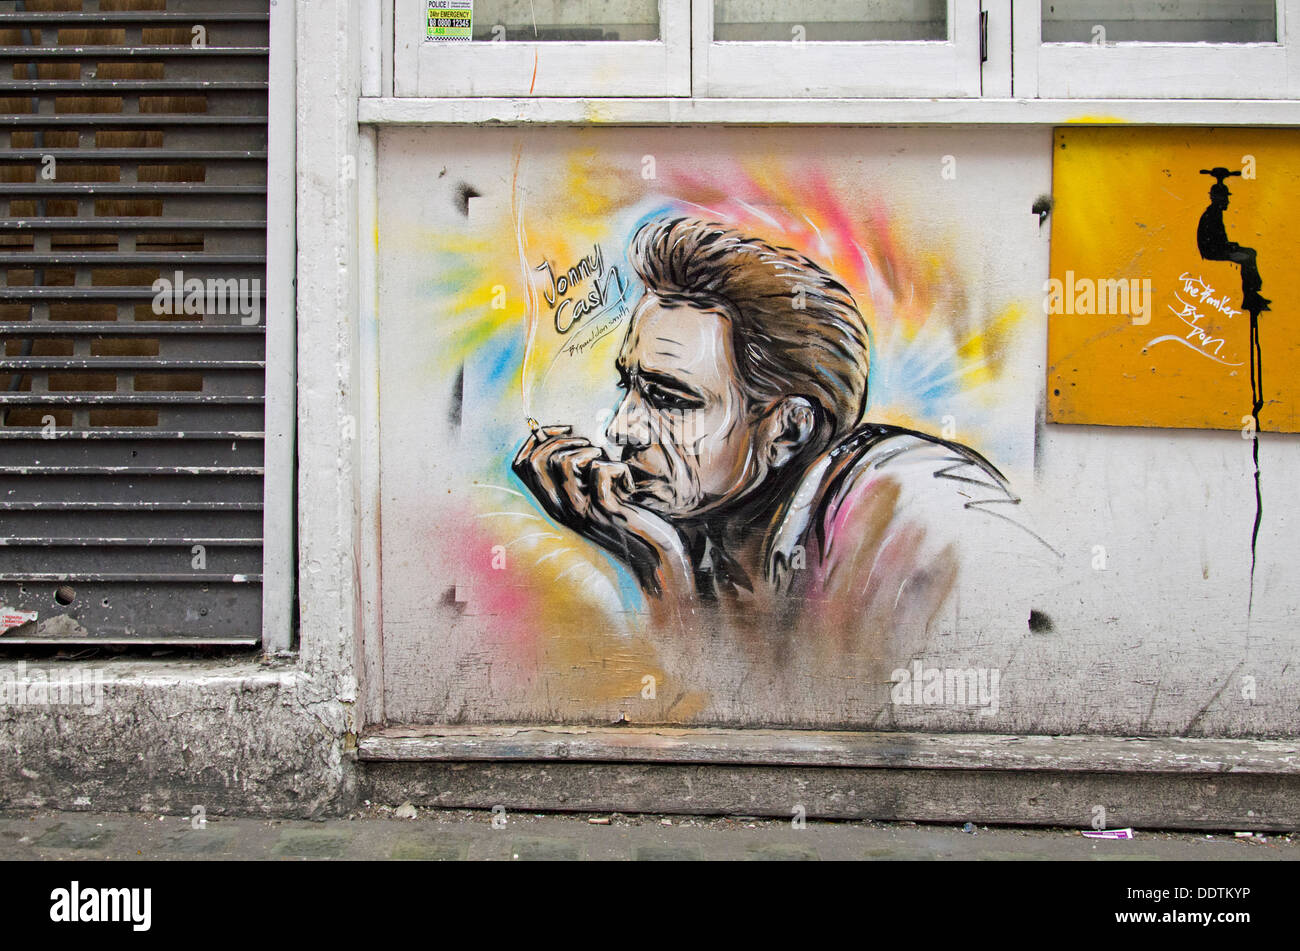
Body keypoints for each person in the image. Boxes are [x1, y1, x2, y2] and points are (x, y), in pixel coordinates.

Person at [513, 216, 1039, 640]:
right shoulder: (713, 527)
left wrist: (659, 578)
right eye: (628, 387)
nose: (622, 428)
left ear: (788, 431)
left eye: (668, 398)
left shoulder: (915, 513)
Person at [1197, 172, 1270, 313]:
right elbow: (1217, 242)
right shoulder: (1213, 214)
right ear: (1220, 199)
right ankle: (1250, 297)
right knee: (1248, 257)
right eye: (1225, 199)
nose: (1228, 202)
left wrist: (1232, 245)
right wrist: (1231, 246)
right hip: (1213, 251)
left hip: (1216, 249)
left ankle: (1253, 293)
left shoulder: (1214, 212)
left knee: (1250, 253)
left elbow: (1219, 240)